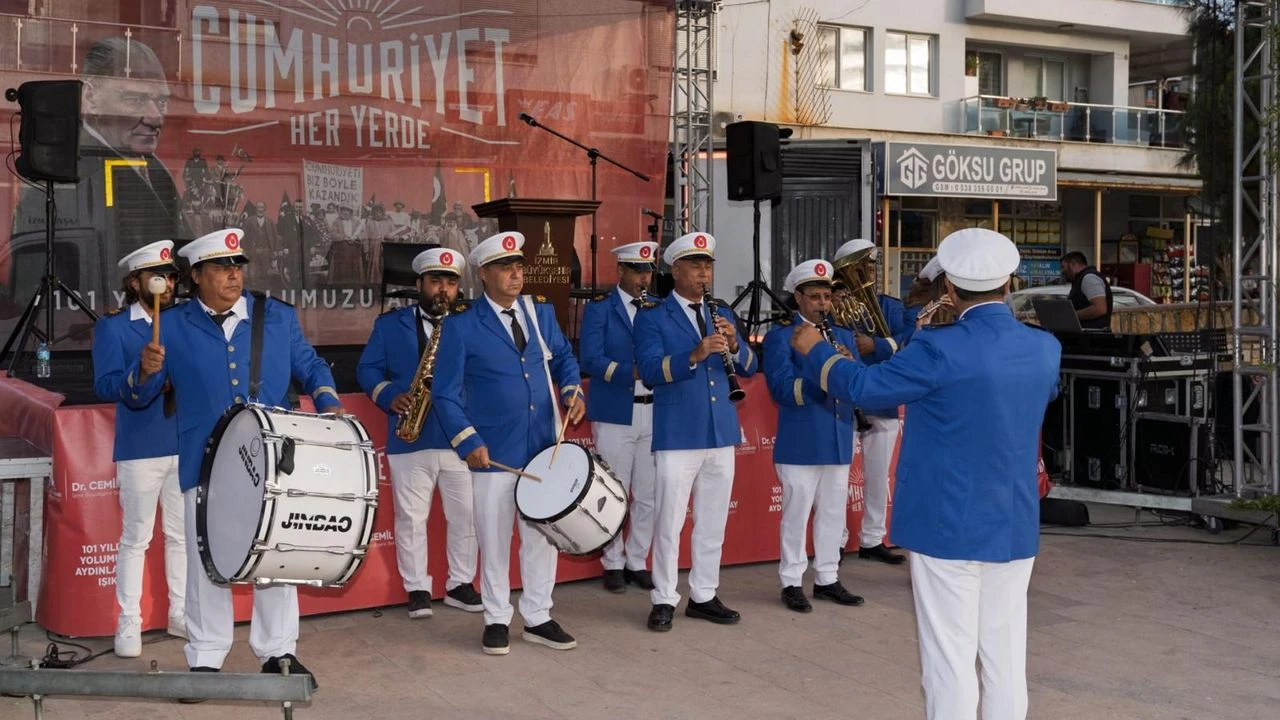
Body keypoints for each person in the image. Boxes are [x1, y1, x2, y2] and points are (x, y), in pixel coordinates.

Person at [789, 228, 1061, 720]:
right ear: (1009, 282)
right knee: (1004, 655)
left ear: (950, 289)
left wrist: (816, 352)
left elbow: (866, 387)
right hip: (1013, 521)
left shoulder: (936, 348)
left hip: (945, 521)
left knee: (949, 659)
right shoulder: (1044, 348)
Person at [128, 228, 342, 690]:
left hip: (273, 460)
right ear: (197, 275)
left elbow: (311, 366)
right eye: (222, 268)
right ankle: (206, 657)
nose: (233, 275)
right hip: (204, 463)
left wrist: (329, 403)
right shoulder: (174, 323)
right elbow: (142, 394)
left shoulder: (276, 317)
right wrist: (144, 372)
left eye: (237, 267)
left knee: (276, 556)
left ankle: (279, 653)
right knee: (208, 562)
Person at [430, 231, 586, 656]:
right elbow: (444, 393)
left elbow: (566, 358)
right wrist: (468, 441)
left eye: (519, 266)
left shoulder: (540, 314)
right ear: (484, 274)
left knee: (541, 538)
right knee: (495, 539)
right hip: (494, 453)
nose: (516, 274)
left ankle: (538, 616)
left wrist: (573, 391)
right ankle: (497, 617)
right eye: (506, 268)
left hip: (542, 447)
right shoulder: (461, 326)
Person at [633, 232, 758, 633]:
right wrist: (694, 354)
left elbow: (753, 366)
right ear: (675, 271)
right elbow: (650, 372)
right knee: (669, 520)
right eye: (696, 266)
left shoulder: (721, 311)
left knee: (712, 520)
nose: (704, 273)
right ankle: (665, 597)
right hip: (678, 433)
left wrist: (736, 345)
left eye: (708, 266)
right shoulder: (652, 316)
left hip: (721, 430)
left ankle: (704, 594)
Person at [356, 247, 483, 619]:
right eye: (435, 281)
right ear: (419, 284)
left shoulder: (472, 322)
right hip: (410, 436)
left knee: (466, 516)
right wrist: (389, 395)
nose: (443, 289)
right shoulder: (388, 324)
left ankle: (461, 583)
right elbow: (367, 370)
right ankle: (417, 588)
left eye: (450, 282)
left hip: (460, 437)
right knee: (411, 518)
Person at [91, 240, 186, 658]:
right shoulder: (113, 327)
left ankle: (181, 612)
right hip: (141, 447)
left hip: (185, 442)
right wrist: (140, 372)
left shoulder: (185, 320)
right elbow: (106, 385)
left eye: (170, 276)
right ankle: (129, 621)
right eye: (155, 276)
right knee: (135, 538)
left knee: (182, 536)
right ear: (135, 282)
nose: (165, 283)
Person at [763, 259, 865, 613]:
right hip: (802, 440)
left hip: (838, 435)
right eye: (816, 296)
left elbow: (860, 385)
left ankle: (827, 577)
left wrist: (848, 366)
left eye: (828, 297)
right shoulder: (781, 337)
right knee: (796, 513)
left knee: (832, 513)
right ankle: (791, 581)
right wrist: (826, 377)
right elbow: (780, 388)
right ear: (798, 297)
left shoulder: (845, 336)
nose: (824, 303)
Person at [578, 241, 661, 593]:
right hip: (615, 410)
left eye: (648, 271)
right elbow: (590, 359)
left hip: (655, 410)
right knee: (613, 491)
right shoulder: (600, 309)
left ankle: (637, 560)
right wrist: (631, 373)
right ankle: (611, 561)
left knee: (649, 493)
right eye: (638, 271)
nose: (644, 278)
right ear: (621, 272)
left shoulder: (658, 307)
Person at [832, 238, 913, 565]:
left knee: (878, 476)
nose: (870, 272)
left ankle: (872, 538)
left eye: (872, 266)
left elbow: (911, 338)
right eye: (863, 267)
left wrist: (878, 345)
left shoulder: (890, 306)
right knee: (836, 478)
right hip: (845, 400)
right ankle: (834, 540)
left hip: (882, 400)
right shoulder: (834, 306)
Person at [1060, 251, 1113, 330]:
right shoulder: (1079, 280)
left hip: (1093, 335)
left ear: (1072, 264)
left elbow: (1100, 308)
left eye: (1063, 267)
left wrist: (1072, 315)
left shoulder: (1089, 278)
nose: (1062, 271)